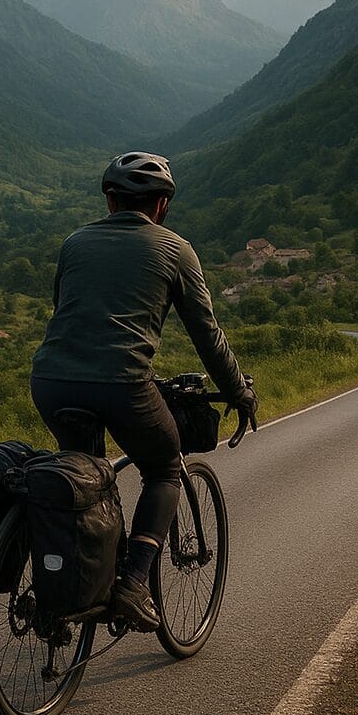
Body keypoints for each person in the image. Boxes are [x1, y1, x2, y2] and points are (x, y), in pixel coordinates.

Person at [31, 151, 258, 631]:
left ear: (110, 200)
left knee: (82, 484)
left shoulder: (74, 243)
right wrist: (238, 392)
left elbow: (68, 313)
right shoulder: (175, 250)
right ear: (163, 206)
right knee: (163, 466)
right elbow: (208, 336)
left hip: (51, 381)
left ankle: (68, 597)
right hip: (123, 383)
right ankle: (133, 585)